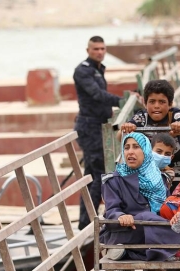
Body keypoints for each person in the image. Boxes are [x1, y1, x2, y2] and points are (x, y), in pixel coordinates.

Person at [99, 132, 180, 261]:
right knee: (145, 216)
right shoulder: (113, 180)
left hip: (154, 234)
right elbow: (111, 211)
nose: (130, 152)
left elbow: (167, 207)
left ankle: (131, 252)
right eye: (127, 148)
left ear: (146, 151)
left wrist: (176, 215)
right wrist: (121, 216)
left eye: (136, 147)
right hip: (126, 232)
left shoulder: (159, 179)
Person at [74, 36, 131, 230]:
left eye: (102, 49)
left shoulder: (99, 69)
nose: (99, 52)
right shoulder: (83, 71)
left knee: (94, 175)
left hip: (99, 127)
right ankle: (88, 222)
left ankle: (87, 222)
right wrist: (123, 100)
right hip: (89, 128)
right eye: (95, 49)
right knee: (97, 175)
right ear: (88, 50)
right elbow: (97, 95)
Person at [119, 79, 180, 191]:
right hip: (150, 175)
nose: (156, 106)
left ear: (170, 104)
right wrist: (126, 128)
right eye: (152, 102)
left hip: (178, 176)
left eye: (162, 102)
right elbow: (121, 136)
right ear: (145, 103)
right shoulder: (142, 117)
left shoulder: (175, 114)